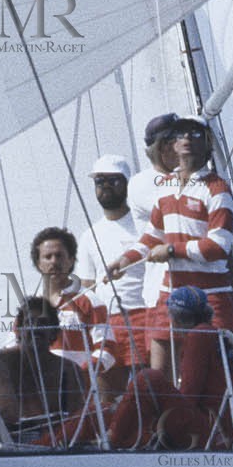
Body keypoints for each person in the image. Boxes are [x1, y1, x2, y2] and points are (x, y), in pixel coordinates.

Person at [107, 116, 233, 376]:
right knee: (159, 376)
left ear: (208, 142)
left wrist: (171, 251)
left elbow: (218, 246)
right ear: (173, 144)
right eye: (181, 134)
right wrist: (123, 262)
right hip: (171, 293)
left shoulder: (217, 189)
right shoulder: (165, 188)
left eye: (196, 134)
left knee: (212, 379)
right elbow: (151, 239)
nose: (188, 139)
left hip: (210, 296)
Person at [107, 286, 233, 450]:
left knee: (147, 378)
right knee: (112, 409)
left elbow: (189, 394)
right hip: (226, 429)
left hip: (209, 432)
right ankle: (124, 437)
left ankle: (111, 440)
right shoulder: (214, 334)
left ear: (175, 318)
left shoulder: (198, 336)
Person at [0, 297, 86, 444]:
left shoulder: (69, 371)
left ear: (54, 332)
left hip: (53, 447)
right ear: (19, 330)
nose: (36, 328)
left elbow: (75, 420)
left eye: (43, 323)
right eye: (30, 323)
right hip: (1, 446)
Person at [74, 154, 149, 387]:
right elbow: (86, 287)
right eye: (99, 181)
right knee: (107, 395)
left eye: (113, 180)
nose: (105, 186)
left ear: (127, 183)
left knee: (146, 389)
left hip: (143, 317)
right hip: (105, 324)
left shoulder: (144, 226)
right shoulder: (89, 235)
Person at [29, 227, 114, 382]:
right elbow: (12, 346)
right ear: (38, 263)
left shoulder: (90, 301)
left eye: (59, 256)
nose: (54, 261)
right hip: (37, 392)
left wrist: (79, 373)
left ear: (71, 260)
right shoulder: (30, 307)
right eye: (48, 257)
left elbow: (107, 350)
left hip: (78, 394)